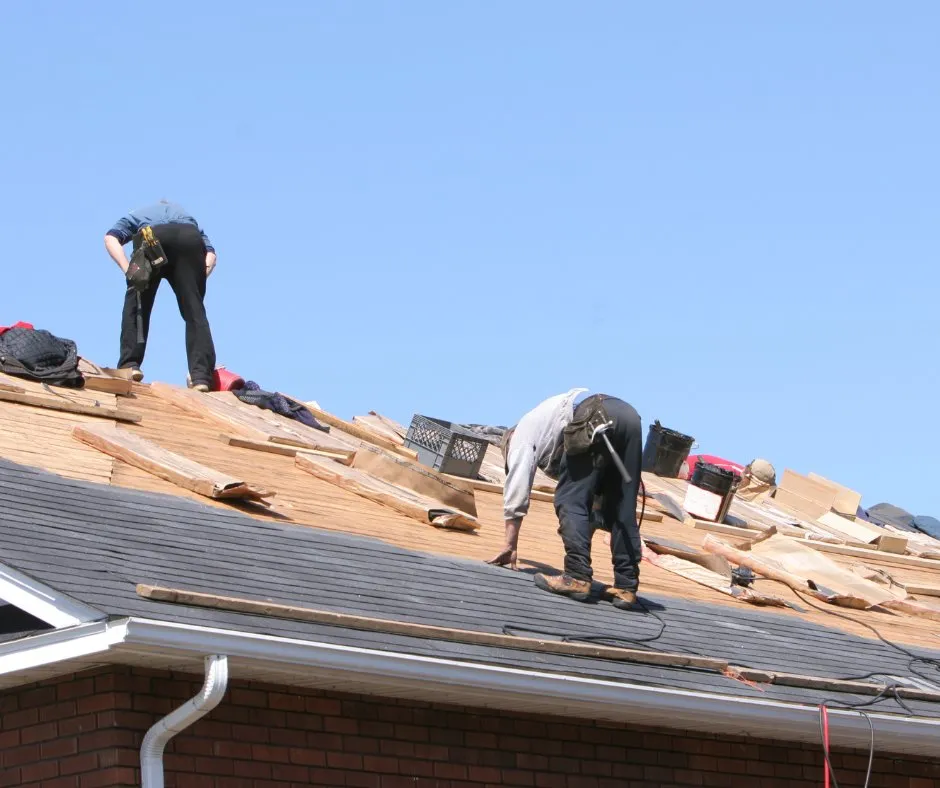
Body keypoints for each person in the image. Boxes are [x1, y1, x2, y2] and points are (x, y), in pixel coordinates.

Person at [490, 389, 644, 610]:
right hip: (628, 416)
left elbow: (518, 484)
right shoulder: (546, 418)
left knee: (570, 499)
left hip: (595, 413)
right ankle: (626, 586)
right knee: (622, 505)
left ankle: (577, 577)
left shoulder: (520, 435)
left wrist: (509, 544)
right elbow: (594, 504)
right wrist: (580, 534)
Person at [104, 200, 217, 391]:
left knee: (137, 302)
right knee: (194, 311)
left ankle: (129, 365)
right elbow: (211, 256)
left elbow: (110, 238)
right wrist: (195, 281)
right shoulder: (188, 219)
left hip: (152, 237)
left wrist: (129, 271)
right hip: (189, 239)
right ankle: (201, 377)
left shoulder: (136, 215)